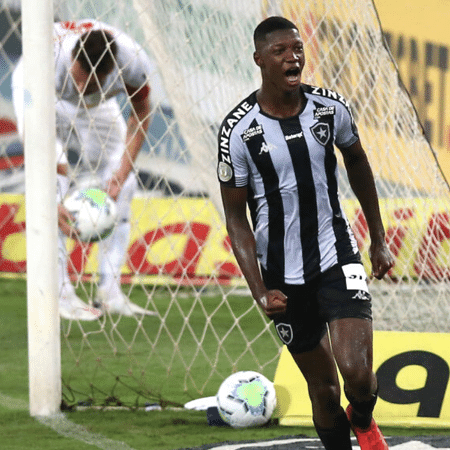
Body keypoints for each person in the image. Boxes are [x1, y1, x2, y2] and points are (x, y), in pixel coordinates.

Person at [218, 16, 394, 450]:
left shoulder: (330, 108)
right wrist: (260, 290)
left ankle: (366, 420)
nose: (292, 56)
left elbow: (357, 163)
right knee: (325, 392)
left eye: (296, 48)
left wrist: (379, 238)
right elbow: (236, 219)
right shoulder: (238, 131)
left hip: (337, 255)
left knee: (355, 374)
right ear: (260, 59)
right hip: (280, 275)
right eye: (280, 51)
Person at [12, 19, 157, 320]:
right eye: (77, 76)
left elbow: (141, 113)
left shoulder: (131, 62)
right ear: (73, 58)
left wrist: (121, 173)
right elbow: (38, 141)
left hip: (97, 105)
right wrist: (51, 200)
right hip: (41, 96)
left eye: (88, 81)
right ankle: (61, 293)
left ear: (110, 72)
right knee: (56, 180)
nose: (80, 86)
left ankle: (110, 291)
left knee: (126, 182)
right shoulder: (48, 59)